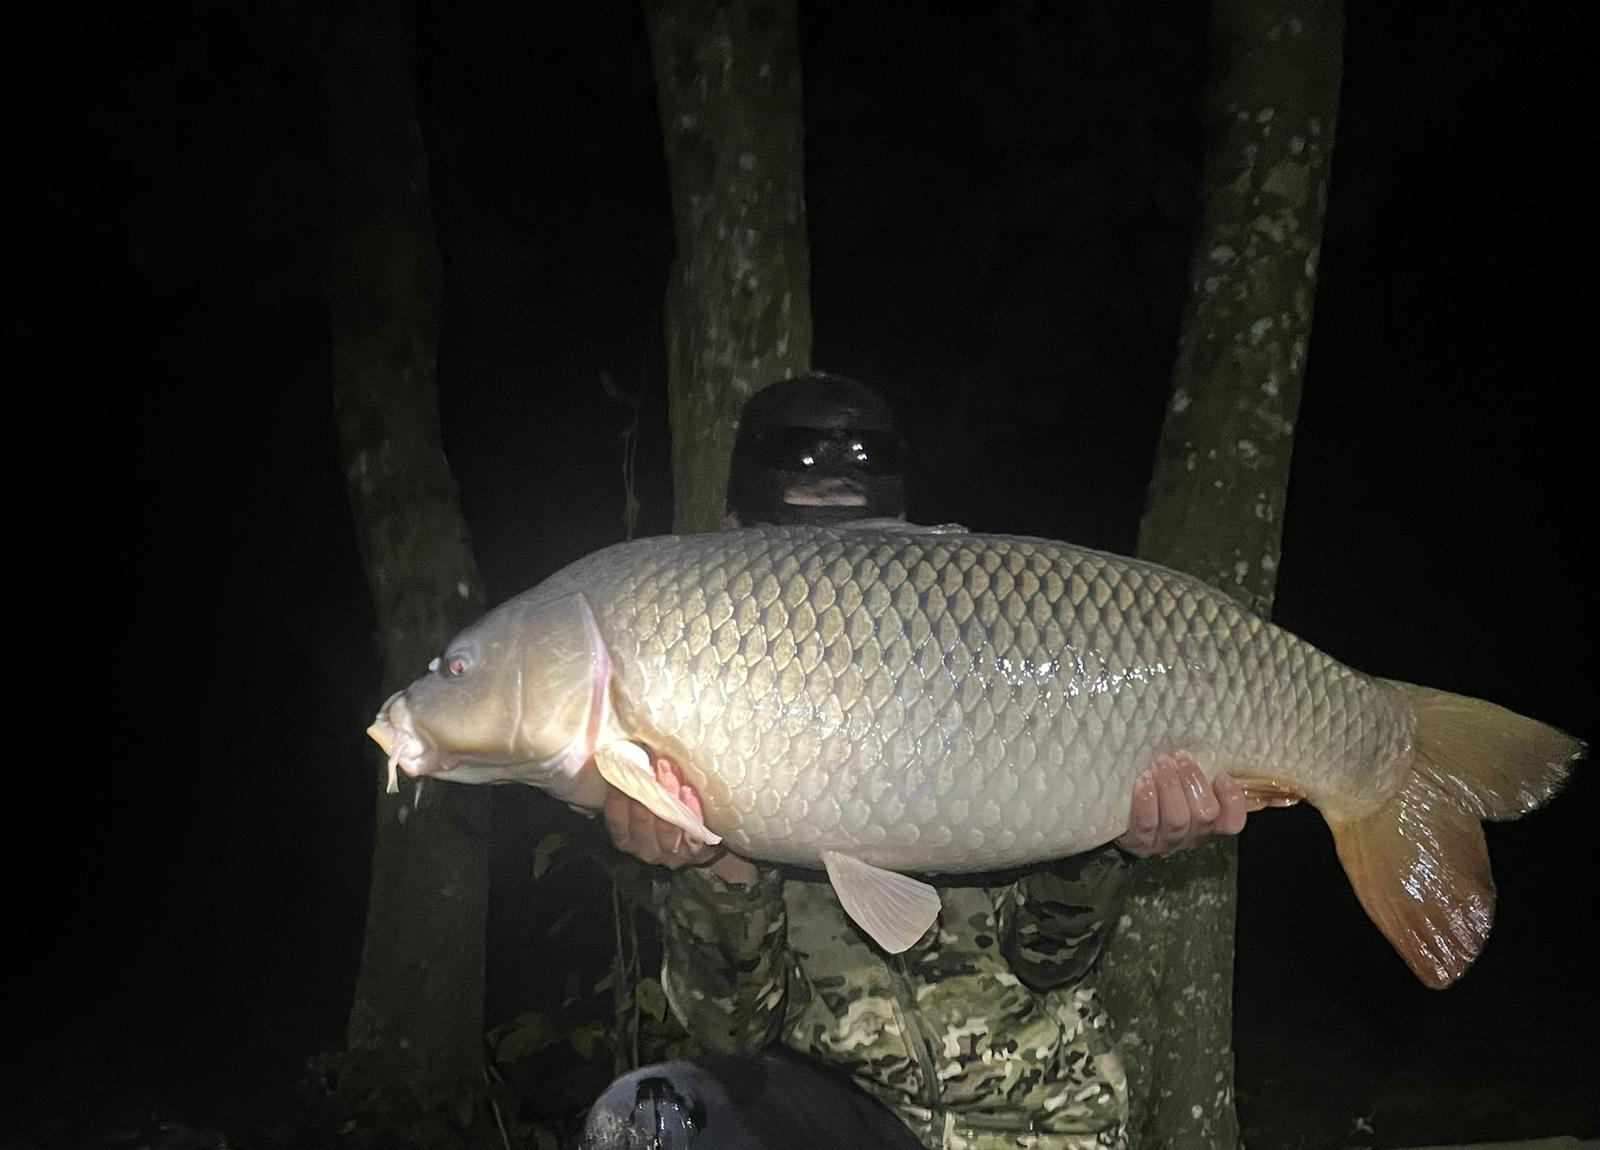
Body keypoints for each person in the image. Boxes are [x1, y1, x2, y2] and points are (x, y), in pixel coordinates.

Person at [582, 374, 1254, 1150]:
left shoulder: (990, 650)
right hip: (843, 1117)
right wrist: (716, 861)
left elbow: (1050, 960)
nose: (825, 598)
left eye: (862, 552)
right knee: (646, 1122)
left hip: (1039, 1116)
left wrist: (1115, 839)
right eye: (797, 563)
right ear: (734, 544)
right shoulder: (702, 709)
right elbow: (732, 1035)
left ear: (909, 538)